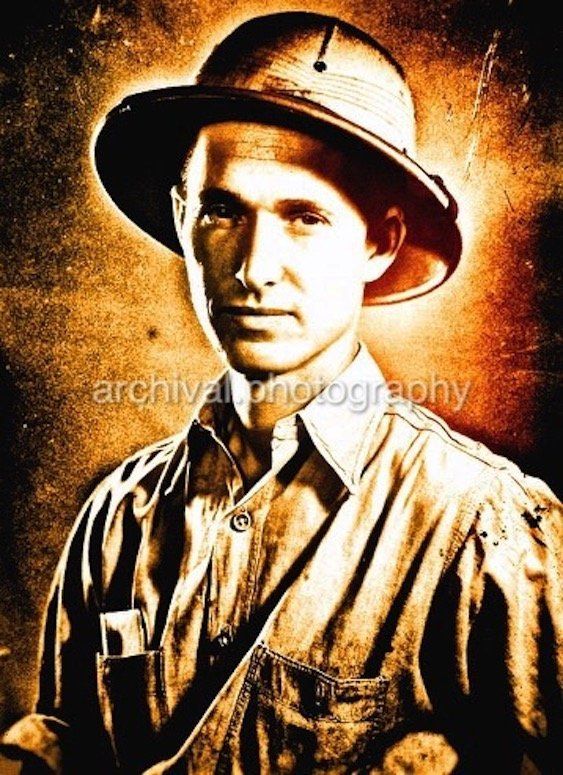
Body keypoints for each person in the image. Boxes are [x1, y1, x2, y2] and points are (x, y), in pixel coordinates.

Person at [1, 10, 561, 774]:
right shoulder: (118, 518)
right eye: (223, 210)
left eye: (304, 216)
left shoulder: (483, 525)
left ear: (378, 242)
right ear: (181, 217)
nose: (254, 267)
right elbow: (62, 736)